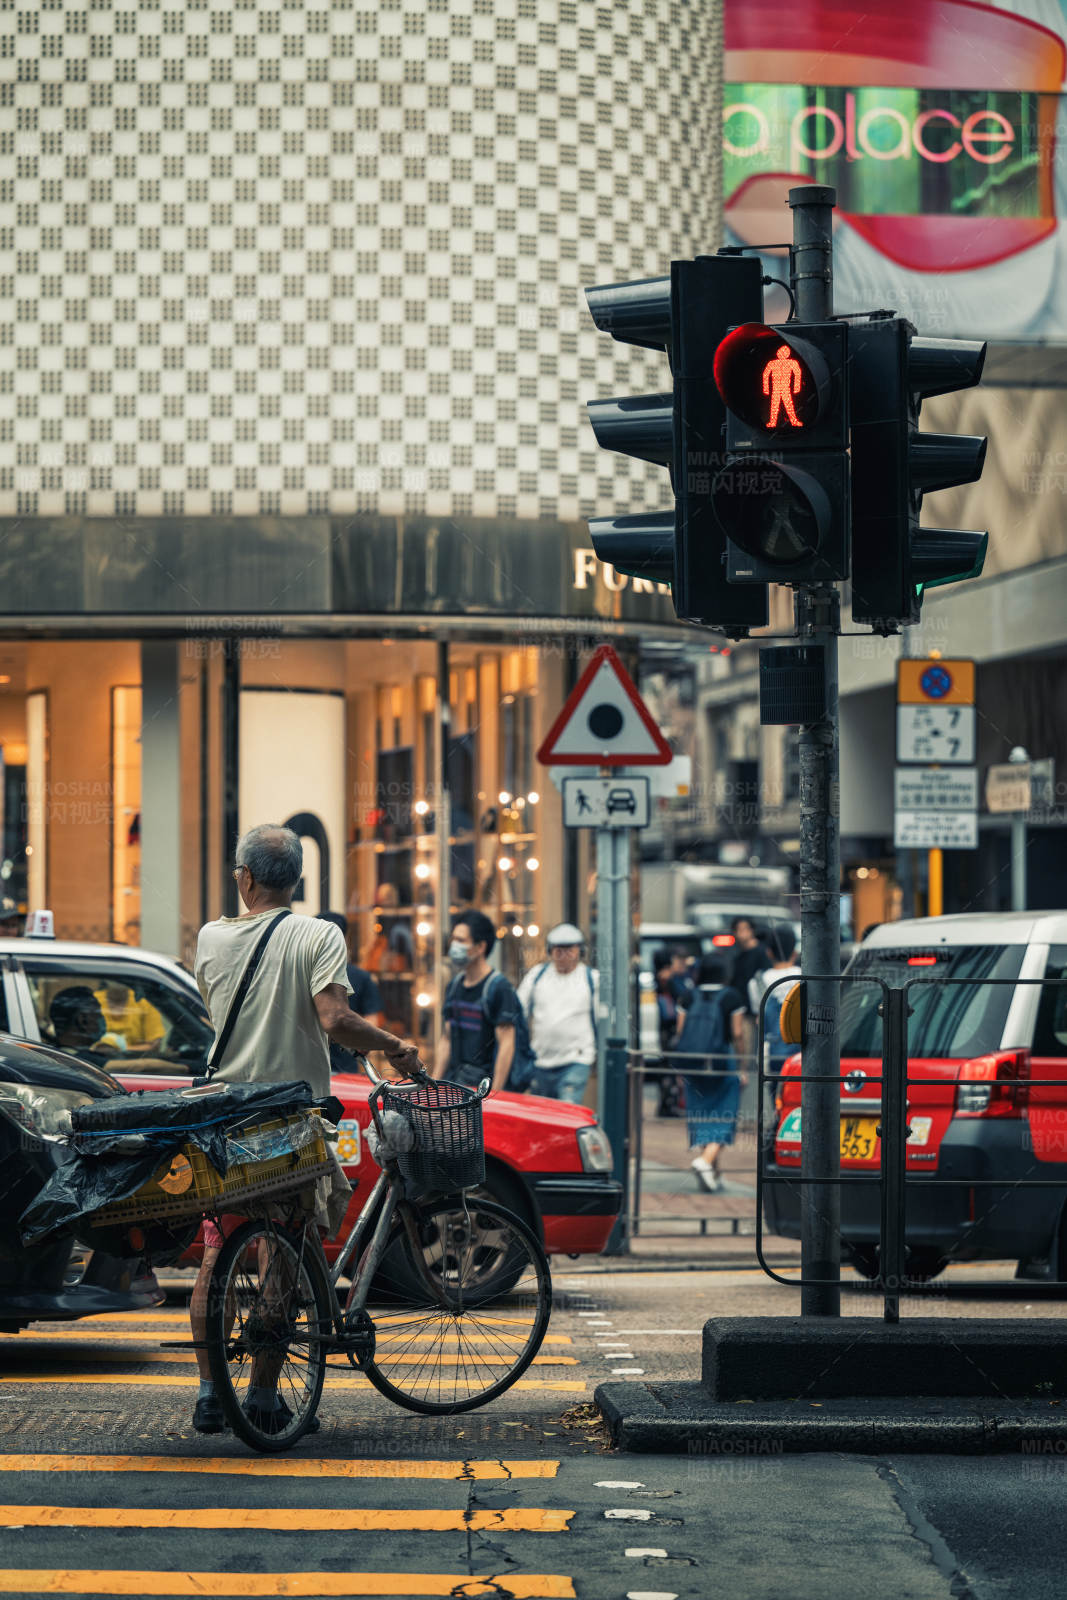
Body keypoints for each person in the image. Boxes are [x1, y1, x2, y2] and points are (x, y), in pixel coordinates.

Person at [190, 823, 423, 1437]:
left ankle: (215, 1395)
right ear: (296, 880)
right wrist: (395, 1045)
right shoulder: (319, 934)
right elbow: (334, 1018)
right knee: (282, 1252)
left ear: (244, 878)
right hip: (291, 1120)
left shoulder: (210, 938)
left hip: (226, 1117)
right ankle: (263, 1399)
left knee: (218, 1251)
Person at [673, 953, 746, 1193]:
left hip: (693, 1062)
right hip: (721, 1061)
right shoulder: (732, 996)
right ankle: (705, 1161)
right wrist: (743, 1065)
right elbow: (737, 1034)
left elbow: (681, 1031)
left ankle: (713, 1172)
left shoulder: (688, 995)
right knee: (725, 1113)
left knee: (702, 1113)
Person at [433, 909, 520, 1093]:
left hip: (481, 1087)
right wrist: (433, 1084)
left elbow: (506, 1044)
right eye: (454, 939)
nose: (454, 946)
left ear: (480, 947)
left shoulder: (498, 988)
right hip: (455, 1084)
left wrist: (494, 1095)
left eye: (461, 940)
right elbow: (447, 1039)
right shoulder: (454, 986)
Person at [516, 923, 598, 1104]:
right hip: (540, 1061)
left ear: (580, 950)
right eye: (558, 949)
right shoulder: (538, 975)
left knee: (567, 1112)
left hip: (576, 1059)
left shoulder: (591, 978)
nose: (563, 955)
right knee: (542, 1117)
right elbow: (519, 1008)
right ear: (550, 951)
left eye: (569, 949)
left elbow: (601, 1017)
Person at [316, 909, 384, 1073]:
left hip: (315, 1070)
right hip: (342, 1069)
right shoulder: (362, 977)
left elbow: (372, 1021)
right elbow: (371, 1024)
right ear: (345, 939)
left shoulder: (302, 974)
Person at [48, 987, 118, 1067]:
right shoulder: (82, 1062)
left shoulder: (54, 1053)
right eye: (98, 1014)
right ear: (83, 1021)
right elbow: (131, 1067)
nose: (102, 1019)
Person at [94, 979, 167, 1055]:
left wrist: (118, 1049)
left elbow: (154, 1045)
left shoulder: (143, 1001)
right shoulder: (95, 999)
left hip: (135, 1059)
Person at [654, 949, 686, 1118]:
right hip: (670, 1026)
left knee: (668, 1066)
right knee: (670, 1066)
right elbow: (681, 996)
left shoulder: (661, 977)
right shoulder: (667, 978)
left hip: (665, 1026)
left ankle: (666, 1104)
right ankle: (668, 1105)